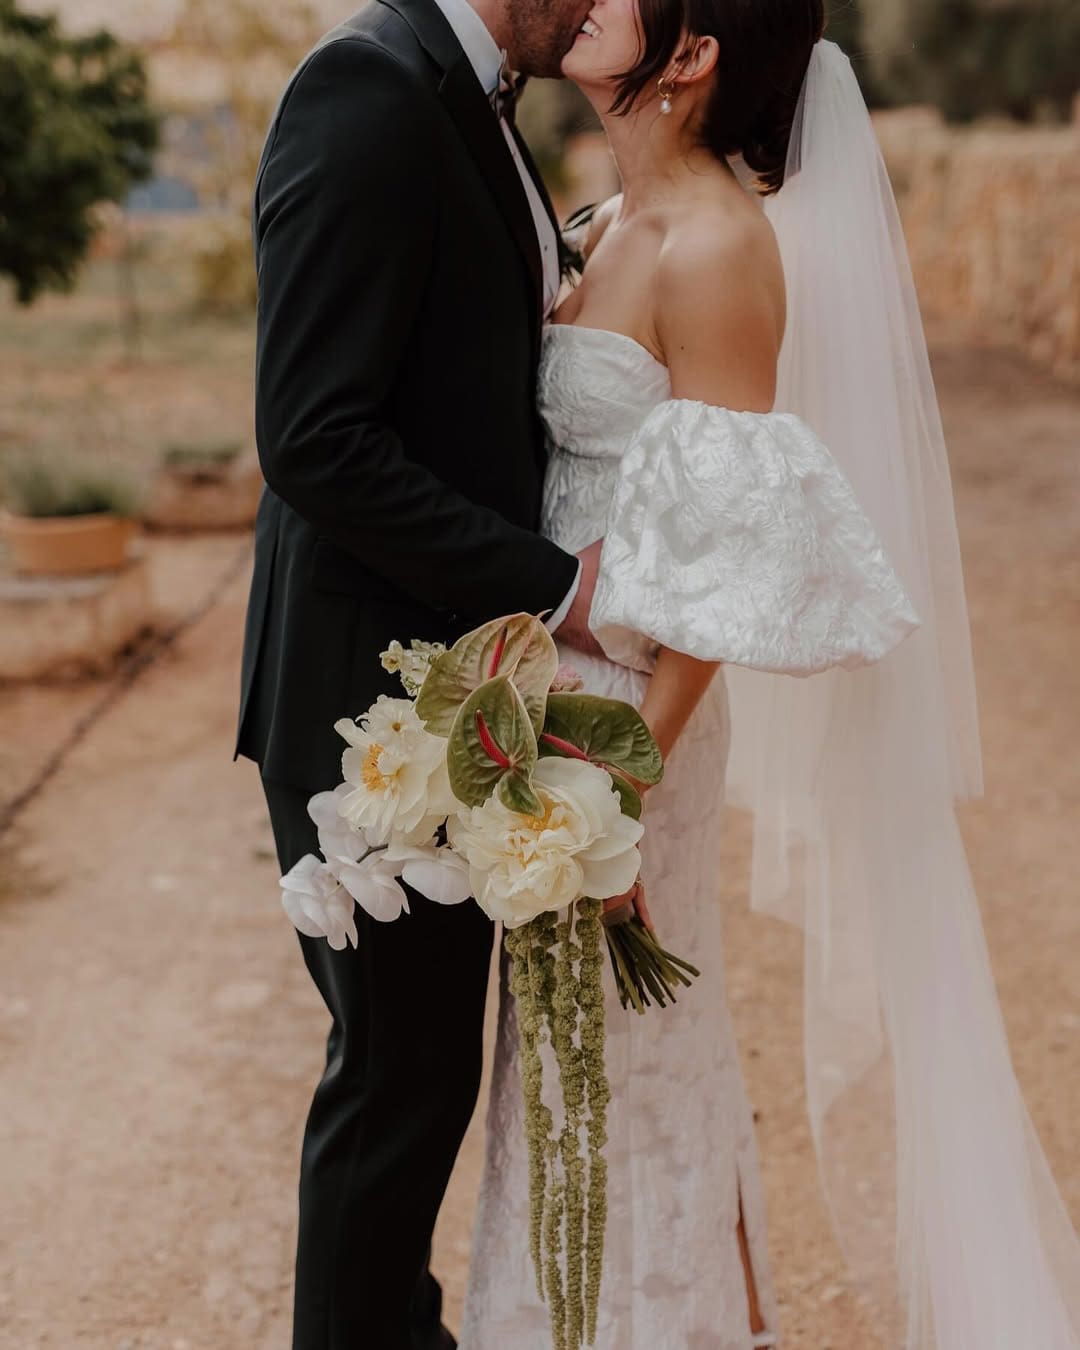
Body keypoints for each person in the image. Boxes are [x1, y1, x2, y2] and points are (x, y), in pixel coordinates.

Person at [460, 1, 1080, 1347]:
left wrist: (618, 789)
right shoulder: (607, 217)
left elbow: (726, 569)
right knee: (574, 1070)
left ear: (690, 58)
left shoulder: (722, 246)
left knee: (627, 1060)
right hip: (548, 687)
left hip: (627, 721)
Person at [234, 0, 607, 1344]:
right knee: (397, 1081)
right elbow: (315, 435)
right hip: (361, 696)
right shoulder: (369, 89)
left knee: (422, 1072)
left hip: (433, 674)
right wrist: (557, 580)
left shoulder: (465, 93)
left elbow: (446, 354)